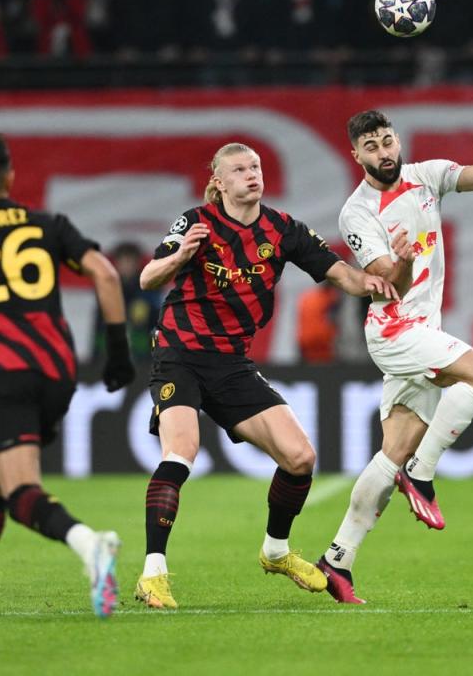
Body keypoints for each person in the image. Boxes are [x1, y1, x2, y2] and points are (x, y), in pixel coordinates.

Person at [134, 142, 398, 610]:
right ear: (219, 181)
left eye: (255, 166)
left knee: (300, 457)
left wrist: (374, 280)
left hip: (232, 363)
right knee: (181, 454)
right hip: (180, 354)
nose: (251, 174)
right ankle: (153, 572)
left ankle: (276, 550)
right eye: (239, 169)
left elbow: (339, 272)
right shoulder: (195, 223)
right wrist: (180, 257)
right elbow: (148, 278)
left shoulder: (282, 229)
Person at [0, 133, 136, 650]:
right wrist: (119, 354)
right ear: (10, 178)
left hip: (4, 375)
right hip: (57, 371)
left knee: (20, 494)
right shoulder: (46, 224)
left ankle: (90, 544)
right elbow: (104, 274)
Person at [317, 109, 473, 604]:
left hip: (425, 327)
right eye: (372, 147)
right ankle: (422, 474)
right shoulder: (356, 213)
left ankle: (337, 560)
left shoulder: (427, 176)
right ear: (356, 155)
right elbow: (387, 283)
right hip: (394, 329)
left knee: (391, 452)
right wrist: (400, 259)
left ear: (397, 140)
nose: (383, 152)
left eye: (387, 141)